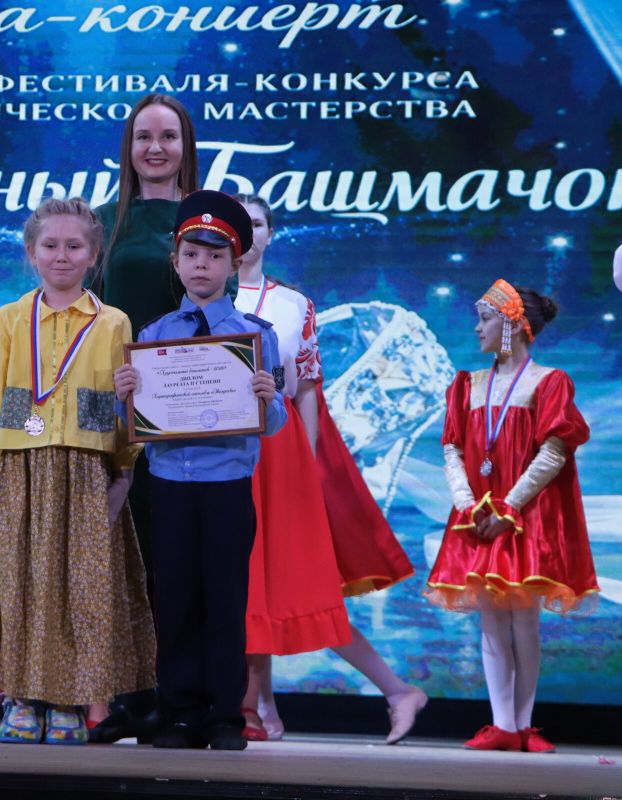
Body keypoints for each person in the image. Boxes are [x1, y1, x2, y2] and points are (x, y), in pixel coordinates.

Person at [231, 195, 426, 744]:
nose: (246, 232)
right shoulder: (195, 295)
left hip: (276, 450)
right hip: (214, 447)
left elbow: (308, 389)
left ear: (271, 233)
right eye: (236, 223)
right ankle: (261, 706)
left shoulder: (294, 304)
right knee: (250, 586)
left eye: (256, 223)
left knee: (282, 582)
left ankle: (263, 706)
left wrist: (309, 465)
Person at [0, 197, 155, 746]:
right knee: (19, 582)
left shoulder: (113, 322)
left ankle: (71, 699)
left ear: (94, 255)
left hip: (88, 469)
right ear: (32, 253)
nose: (62, 255)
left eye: (74, 246)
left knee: (80, 588)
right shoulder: (8, 320)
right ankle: (21, 698)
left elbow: (124, 406)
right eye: (50, 245)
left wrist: (123, 472)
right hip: (20, 466)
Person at [114, 190, 285, 750]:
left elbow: (274, 422)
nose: (201, 266)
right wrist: (125, 396)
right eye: (191, 255)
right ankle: (181, 713)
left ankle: (225, 716)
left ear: (235, 264)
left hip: (226, 486)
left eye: (215, 256)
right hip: (168, 486)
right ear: (176, 261)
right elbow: (135, 423)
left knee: (225, 601)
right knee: (175, 600)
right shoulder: (154, 334)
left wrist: (267, 397)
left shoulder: (255, 335)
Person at [426, 280, 597, 753]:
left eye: (485, 319)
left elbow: (553, 452)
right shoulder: (467, 384)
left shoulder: (549, 381)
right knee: (491, 620)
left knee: (524, 620)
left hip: (524, 514)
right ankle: (502, 724)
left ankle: (523, 725)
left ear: (513, 325)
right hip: (477, 516)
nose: (477, 328)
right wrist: (467, 504)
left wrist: (510, 507)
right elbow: (453, 449)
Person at [88, 92, 201, 743]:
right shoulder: (103, 222)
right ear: (127, 148)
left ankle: (178, 699)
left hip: (186, 419)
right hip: (113, 412)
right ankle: (126, 700)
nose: (155, 148)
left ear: (187, 145)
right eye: (143, 137)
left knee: (175, 562)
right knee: (118, 562)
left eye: (168, 136)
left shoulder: (203, 219)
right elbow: (80, 327)